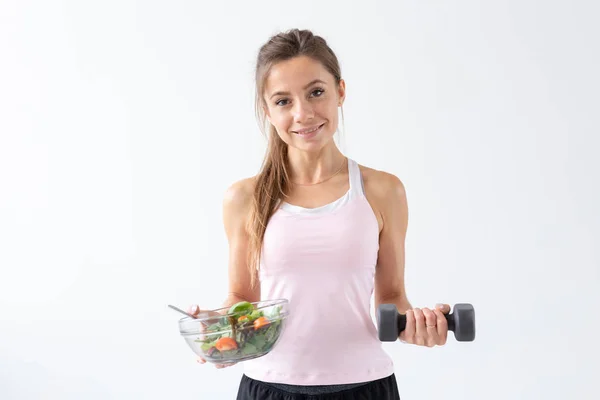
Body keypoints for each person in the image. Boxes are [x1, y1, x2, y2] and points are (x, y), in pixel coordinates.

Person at [188, 28, 451, 400]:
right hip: (269, 387)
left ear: (340, 91)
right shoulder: (244, 198)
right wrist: (220, 328)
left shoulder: (382, 191)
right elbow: (242, 296)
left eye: (316, 92)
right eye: (282, 101)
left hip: (366, 387)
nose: (303, 114)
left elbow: (391, 299)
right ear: (266, 110)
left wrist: (421, 326)